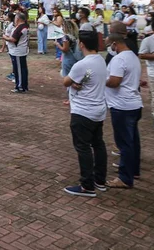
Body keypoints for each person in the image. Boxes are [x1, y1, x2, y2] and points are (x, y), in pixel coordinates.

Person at [62, 30, 108, 197]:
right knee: (98, 144)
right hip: (98, 109)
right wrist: (78, 83)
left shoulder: (82, 64)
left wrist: (74, 82)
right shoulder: (101, 61)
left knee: (83, 148)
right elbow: (88, 79)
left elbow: (66, 80)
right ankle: (100, 180)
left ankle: (87, 185)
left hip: (83, 111)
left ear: (81, 45)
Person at [104, 22, 141, 189]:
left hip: (122, 106)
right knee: (133, 141)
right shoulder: (133, 56)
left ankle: (125, 177)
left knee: (125, 143)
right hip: (133, 104)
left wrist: (101, 80)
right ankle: (133, 170)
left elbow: (114, 82)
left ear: (115, 44)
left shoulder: (119, 59)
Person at [5, 12, 29, 93]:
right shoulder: (23, 26)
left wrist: (5, 37)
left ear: (18, 19)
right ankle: (23, 85)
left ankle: (20, 86)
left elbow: (13, 39)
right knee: (22, 69)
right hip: (19, 50)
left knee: (19, 69)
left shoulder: (20, 28)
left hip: (18, 51)